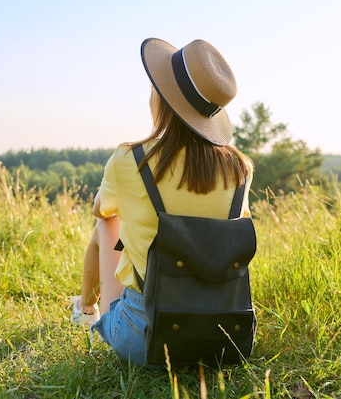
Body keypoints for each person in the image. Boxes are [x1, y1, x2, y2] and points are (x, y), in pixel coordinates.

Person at [70, 37, 254, 366]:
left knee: (106, 223)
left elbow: (101, 209)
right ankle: (85, 308)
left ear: (163, 98)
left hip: (146, 336)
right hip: (222, 339)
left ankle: (85, 309)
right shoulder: (240, 168)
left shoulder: (131, 158)